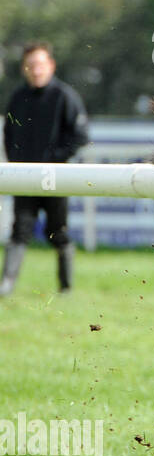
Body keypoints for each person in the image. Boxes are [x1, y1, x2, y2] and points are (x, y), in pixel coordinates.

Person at [1, 43, 90, 296]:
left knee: (58, 233)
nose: (35, 70)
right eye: (30, 65)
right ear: (24, 68)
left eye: (40, 64)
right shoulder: (18, 97)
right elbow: (9, 135)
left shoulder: (65, 96)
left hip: (56, 178)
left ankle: (66, 288)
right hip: (24, 178)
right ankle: (6, 285)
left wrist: (55, 159)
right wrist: (16, 165)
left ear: (51, 65)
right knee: (19, 231)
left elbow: (80, 135)